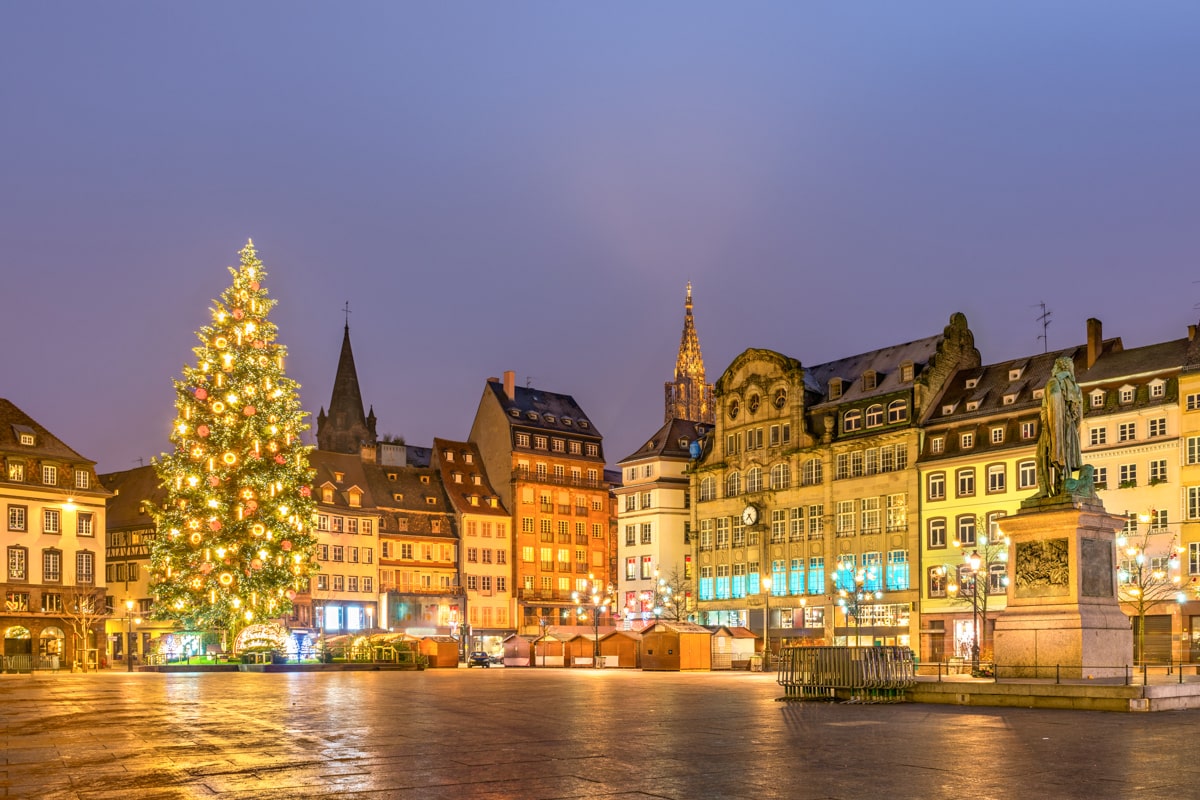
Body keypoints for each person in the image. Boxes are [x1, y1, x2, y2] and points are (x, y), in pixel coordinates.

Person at [1036, 357, 1083, 497]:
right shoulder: (1076, 387)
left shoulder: (1053, 382)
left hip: (1052, 428)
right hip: (1070, 430)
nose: (1052, 370)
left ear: (1058, 367)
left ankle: (1044, 490)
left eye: (1054, 366)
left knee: (1041, 457)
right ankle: (1062, 488)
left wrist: (1052, 428)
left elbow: (1053, 402)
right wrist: (1073, 430)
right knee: (1064, 460)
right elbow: (1080, 415)